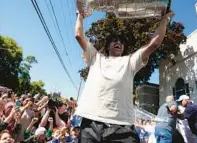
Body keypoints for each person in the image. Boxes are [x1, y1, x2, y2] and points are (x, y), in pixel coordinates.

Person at [74, 9, 174, 143]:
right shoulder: (95, 56)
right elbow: (78, 35)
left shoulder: (130, 61)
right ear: (107, 46)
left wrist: (165, 20)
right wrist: (80, 15)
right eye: (114, 40)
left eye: (121, 42)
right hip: (91, 124)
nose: (119, 43)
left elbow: (154, 44)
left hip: (121, 125)